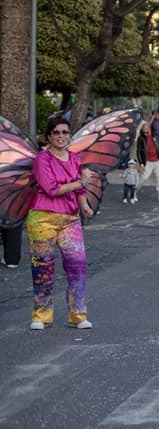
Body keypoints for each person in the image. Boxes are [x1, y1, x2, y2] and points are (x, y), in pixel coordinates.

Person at [26, 115, 97, 330]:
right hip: (42, 217)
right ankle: (41, 315)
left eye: (64, 132)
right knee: (43, 268)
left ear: (69, 135)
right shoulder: (42, 160)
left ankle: (78, 315)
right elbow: (52, 189)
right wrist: (80, 182)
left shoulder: (75, 159)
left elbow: (80, 190)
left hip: (70, 219)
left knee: (78, 266)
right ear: (48, 136)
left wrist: (84, 205)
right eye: (56, 132)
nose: (60, 136)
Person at [136, 121, 159, 202]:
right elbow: (138, 151)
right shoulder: (141, 138)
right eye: (144, 132)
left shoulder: (156, 136)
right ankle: (134, 191)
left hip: (157, 161)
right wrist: (141, 163)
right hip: (147, 162)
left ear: (150, 129)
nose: (145, 133)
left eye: (147, 132)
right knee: (144, 178)